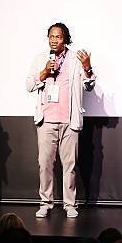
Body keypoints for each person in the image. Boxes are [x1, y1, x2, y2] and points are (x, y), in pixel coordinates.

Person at [26, 23, 96, 218]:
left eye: (58, 37)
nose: (54, 40)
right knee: (45, 163)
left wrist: (88, 67)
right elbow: (29, 85)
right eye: (51, 36)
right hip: (46, 119)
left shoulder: (75, 59)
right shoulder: (40, 59)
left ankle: (69, 204)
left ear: (65, 39)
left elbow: (89, 85)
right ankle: (45, 202)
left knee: (69, 165)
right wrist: (44, 72)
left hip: (69, 120)